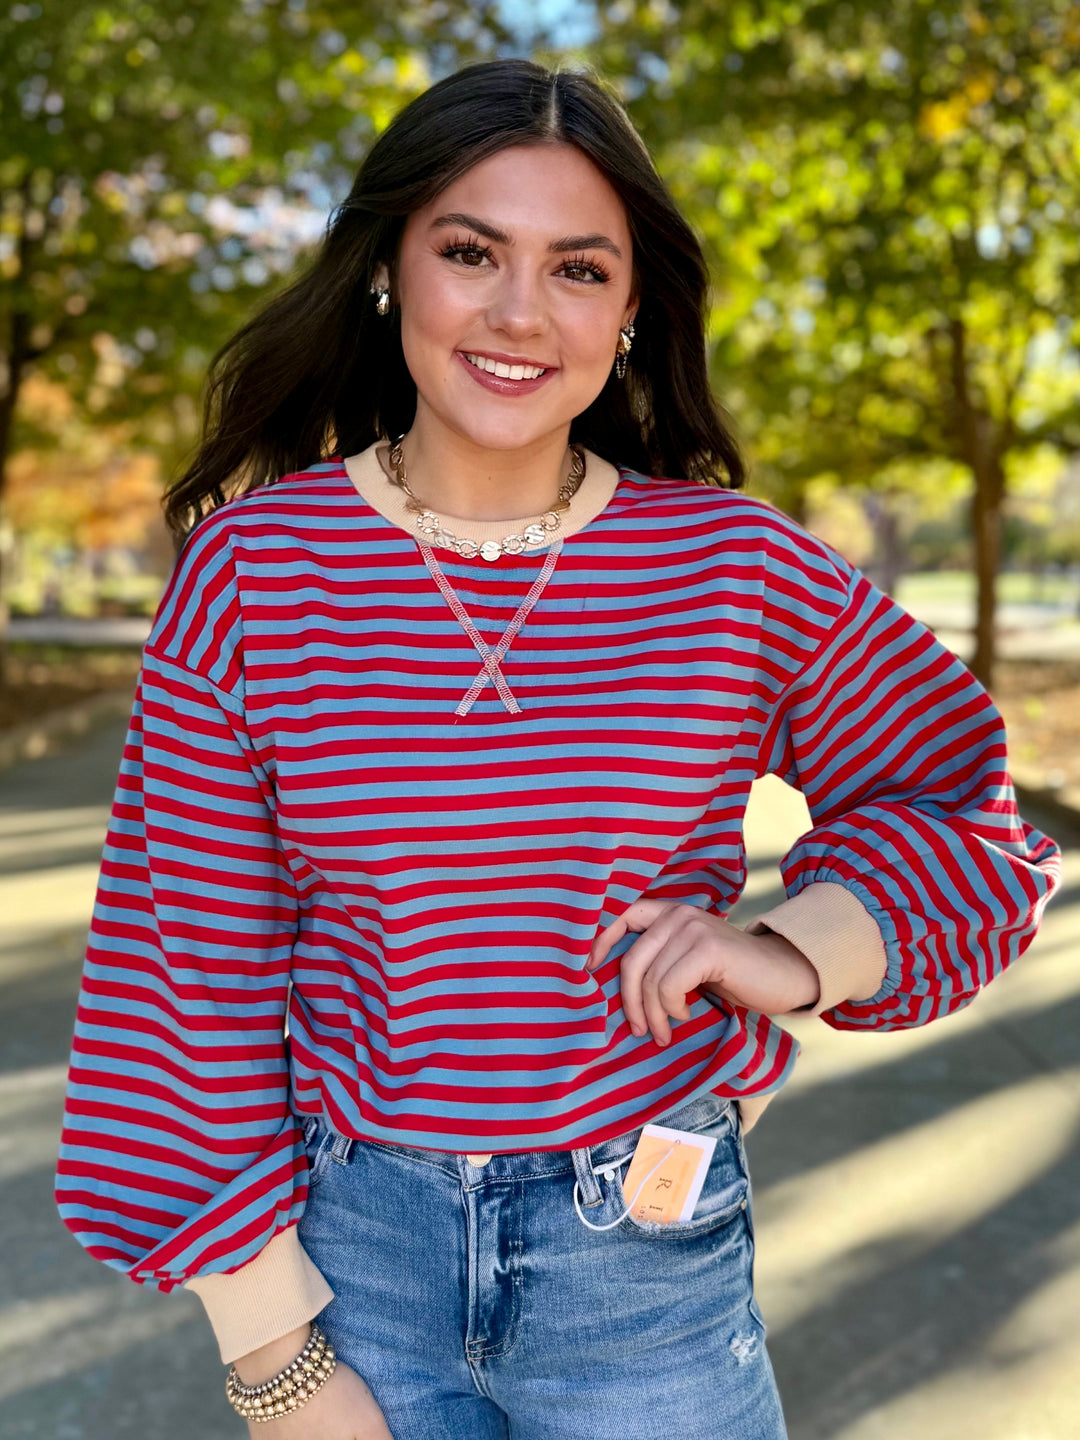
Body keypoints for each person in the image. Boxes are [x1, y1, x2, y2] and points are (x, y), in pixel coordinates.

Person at [55, 57, 1061, 1440]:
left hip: (646, 1260)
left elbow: (961, 807)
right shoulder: (257, 571)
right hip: (358, 1269)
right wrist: (274, 1363)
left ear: (633, 307)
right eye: (471, 251)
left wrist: (783, 954)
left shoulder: (737, 569)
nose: (520, 311)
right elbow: (186, 987)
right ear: (388, 269)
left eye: (579, 269)